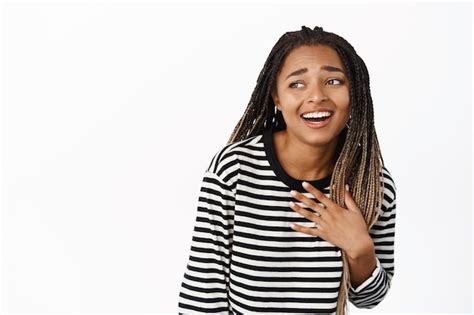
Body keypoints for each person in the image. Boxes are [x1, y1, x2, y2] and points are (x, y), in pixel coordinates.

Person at [178, 25, 397, 315]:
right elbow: (202, 297)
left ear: (354, 93)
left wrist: (360, 249)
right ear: (276, 97)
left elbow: (370, 299)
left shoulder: (372, 183)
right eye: (297, 84)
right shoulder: (234, 170)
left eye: (333, 81)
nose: (316, 96)